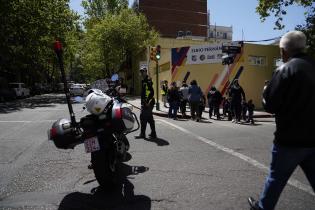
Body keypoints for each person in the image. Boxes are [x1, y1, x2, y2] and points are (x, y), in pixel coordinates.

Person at [248, 31, 315, 210]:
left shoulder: (284, 69)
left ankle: (263, 207)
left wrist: (264, 93)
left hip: (289, 139)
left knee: (276, 178)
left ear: (284, 51)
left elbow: (270, 105)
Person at [135, 67, 157, 139]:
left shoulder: (147, 80)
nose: (141, 73)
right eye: (140, 72)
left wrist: (147, 101)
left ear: (145, 72)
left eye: (143, 72)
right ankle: (153, 133)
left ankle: (142, 134)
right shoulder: (144, 80)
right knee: (149, 118)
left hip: (147, 103)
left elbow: (151, 92)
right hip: (146, 102)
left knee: (143, 118)